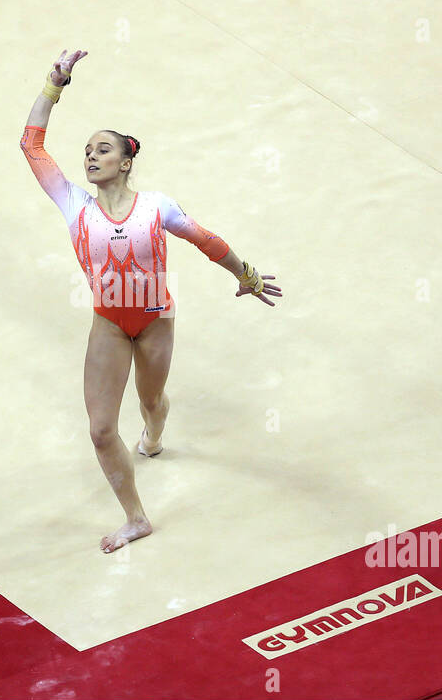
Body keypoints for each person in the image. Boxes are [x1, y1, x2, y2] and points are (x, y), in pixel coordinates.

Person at [20, 49, 283, 553]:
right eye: (87, 152)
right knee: (100, 431)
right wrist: (54, 85)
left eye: (103, 150)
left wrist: (246, 274)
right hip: (110, 325)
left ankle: (155, 432)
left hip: (157, 320)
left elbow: (205, 240)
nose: (91, 157)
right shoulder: (74, 205)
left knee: (150, 402)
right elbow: (32, 146)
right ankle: (136, 518)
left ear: (126, 161)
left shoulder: (155, 206)